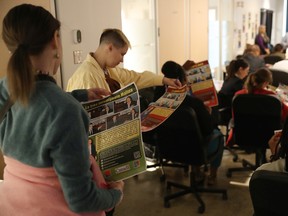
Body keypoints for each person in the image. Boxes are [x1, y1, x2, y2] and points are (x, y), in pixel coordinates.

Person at [0, 4, 124, 215]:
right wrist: (116, 195)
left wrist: (80, 96)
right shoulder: (66, 111)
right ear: (54, 41)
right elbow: (82, 200)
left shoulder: (7, 88)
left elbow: (37, 104)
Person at [154, 60, 224, 185]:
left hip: (169, 148)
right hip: (194, 150)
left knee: (190, 135)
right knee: (217, 134)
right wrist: (207, 113)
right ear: (182, 80)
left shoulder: (158, 99)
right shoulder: (194, 104)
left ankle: (196, 171)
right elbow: (208, 129)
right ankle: (212, 176)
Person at [66, 28, 182, 93]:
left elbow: (136, 77)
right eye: (122, 54)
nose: (122, 60)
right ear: (110, 48)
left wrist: (164, 80)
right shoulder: (86, 76)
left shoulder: (109, 70)